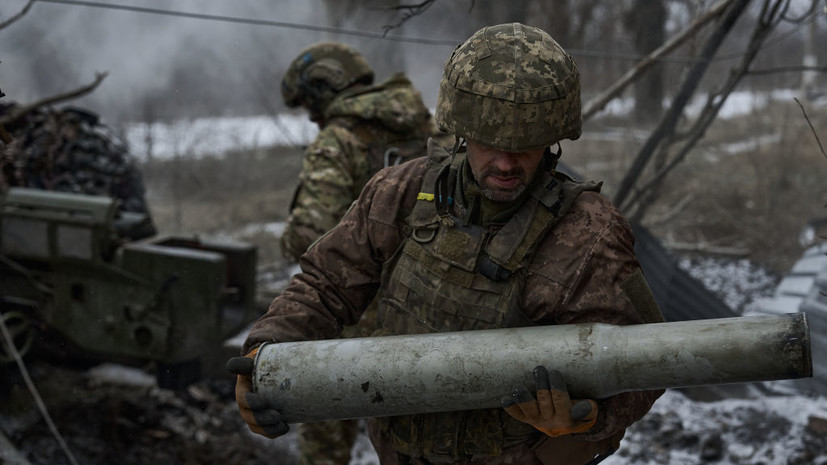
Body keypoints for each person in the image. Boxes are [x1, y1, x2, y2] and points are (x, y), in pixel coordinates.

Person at [230, 23, 664, 465]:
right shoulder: (400, 192)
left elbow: (643, 364)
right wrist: (266, 354)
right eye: (490, 141)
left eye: (526, 145)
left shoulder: (588, 234)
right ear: (461, 129)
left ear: (553, 138)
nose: (505, 163)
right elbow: (325, 284)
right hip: (400, 449)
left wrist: (584, 418)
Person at [278, 42, 443, 465]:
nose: (313, 117)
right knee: (421, 441)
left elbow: (311, 233)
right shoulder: (429, 127)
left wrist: (288, 243)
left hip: (353, 316)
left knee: (326, 438)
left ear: (323, 88)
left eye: (310, 106)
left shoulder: (339, 139)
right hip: (430, 313)